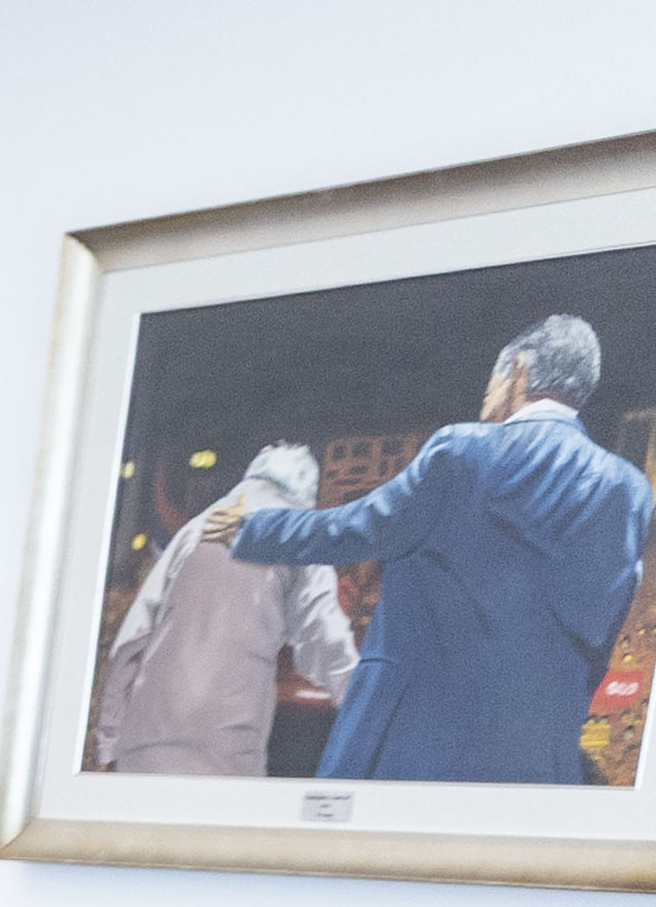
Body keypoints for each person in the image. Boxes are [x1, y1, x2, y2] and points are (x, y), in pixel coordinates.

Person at [229, 315, 654, 782]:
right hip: (534, 754)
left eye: (492, 379)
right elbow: (602, 630)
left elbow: (358, 527)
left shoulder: (463, 452)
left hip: (412, 741)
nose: (486, 396)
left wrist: (255, 527)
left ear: (518, 370)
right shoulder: (629, 491)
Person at [94, 441, 359, 776]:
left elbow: (131, 641)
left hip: (145, 746)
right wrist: (368, 713)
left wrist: (109, 741)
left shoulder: (194, 531)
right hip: (225, 751)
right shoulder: (295, 535)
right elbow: (328, 645)